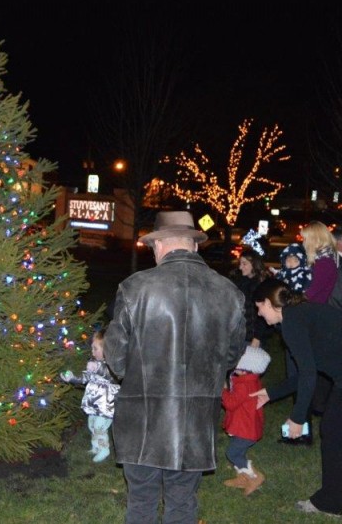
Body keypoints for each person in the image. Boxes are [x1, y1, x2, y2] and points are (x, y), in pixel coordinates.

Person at [105, 210, 246, 524]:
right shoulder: (229, 293)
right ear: (194, 246)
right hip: (195, 421)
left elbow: (115, 357)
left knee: (141, 502)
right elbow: (230, 357)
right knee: (182, 504)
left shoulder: (134, 287)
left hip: (142, 419)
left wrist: (143, 381)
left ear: (158, 247)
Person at [254, 283, 342, 517]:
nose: (259, 313)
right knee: (333, 432)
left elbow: (307, 375)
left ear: (269, 303)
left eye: (259, 307)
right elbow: (308, 370)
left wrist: (296, 418)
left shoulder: (292, 322)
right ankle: (329, 501)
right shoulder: (297, 316)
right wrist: (270, 393)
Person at [60, 328, 119, 463]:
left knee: (99, 425)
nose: (92, 352)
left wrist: (97, 368)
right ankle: (96, 446)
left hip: (106, 405)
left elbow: (109, 375)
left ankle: (104, 449)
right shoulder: (94, 364)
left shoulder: (112, 366)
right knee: (91, 424)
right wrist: (73, 378)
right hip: (94, 403)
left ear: (107, 350)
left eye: (95, 349)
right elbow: (85, 377)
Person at [221, 345, 271, 496]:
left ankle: (254, 476)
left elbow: (230, 403)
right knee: (238, 451)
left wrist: (222, 391)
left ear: (245, 369)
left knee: (233, 453)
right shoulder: (250, 380)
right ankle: (242, 477)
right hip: (245, 426)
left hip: (245, 429)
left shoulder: (244, 385)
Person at [230, 248, 275, 348]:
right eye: (240, 263)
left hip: (254, 336)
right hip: (241, 334)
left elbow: (263, 314)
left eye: (244, 264)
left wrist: (257, 337)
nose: (241, 267)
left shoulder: (261, 285)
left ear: (254, 264)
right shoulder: (241, 282)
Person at [300, 220, 338, 304]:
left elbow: (310, 293)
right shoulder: (320, 260)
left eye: (305, 239)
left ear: (315, 240)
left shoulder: (324, 264)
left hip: (313, 311)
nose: (303, 242)